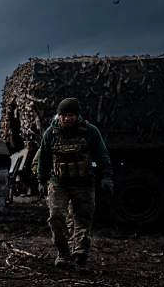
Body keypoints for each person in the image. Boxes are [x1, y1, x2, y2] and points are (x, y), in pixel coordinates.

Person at [34, 97, 113, 268]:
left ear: (77, 116)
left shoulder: (90, 131)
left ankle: (80, 252)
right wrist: (41, 180)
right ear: (59, 115)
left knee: (83, 218)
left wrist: (106, 176)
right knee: (56, 216)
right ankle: (63, 253)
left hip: (84, 182)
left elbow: (102, 155)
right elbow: (44, 159)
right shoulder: (51, 133)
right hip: (59, 182)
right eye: (63, 115)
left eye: (71, 115)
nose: (67, 118)